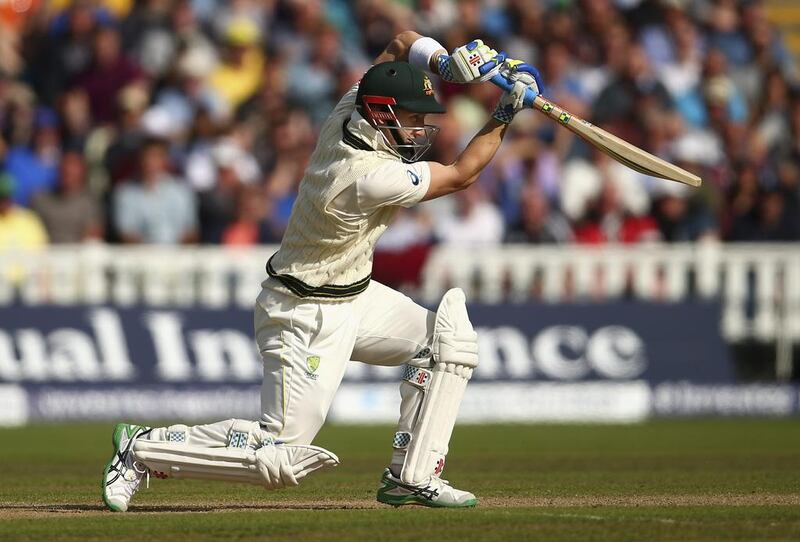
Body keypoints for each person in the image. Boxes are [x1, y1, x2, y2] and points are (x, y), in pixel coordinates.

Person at [101, 31, 542, 511]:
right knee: (281, 454)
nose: (421, 131)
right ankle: (143, 448)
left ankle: (411, 475)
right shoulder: (367, 176)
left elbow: (399, 43)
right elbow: (462, 174)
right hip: (302, 312)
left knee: (447, 344)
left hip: (355, 296)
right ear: (381, 115)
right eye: (413, 120)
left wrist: (445, 64)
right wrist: (504, 112)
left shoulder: (349, 110)